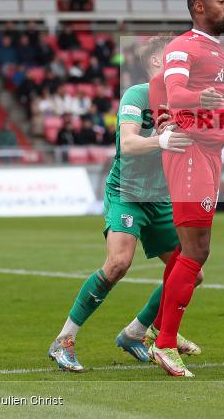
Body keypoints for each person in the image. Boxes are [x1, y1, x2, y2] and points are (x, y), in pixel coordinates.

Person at [47, 35, 199, 372]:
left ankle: (136, 332)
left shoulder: (182, 102)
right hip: (127, 192)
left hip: (159, 199)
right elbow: (129, 143)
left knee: (191, 273)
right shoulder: (136, 95)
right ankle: (64, 340)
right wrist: (163, 140)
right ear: (159, 63)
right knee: (118, 264)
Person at [146, 0, 224, 377]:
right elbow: (172, 91)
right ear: (199, 7)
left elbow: (159, 90)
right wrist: (192, 104)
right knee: (197, 252)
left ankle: (157, 333)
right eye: (221, 0)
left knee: (189, 251)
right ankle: (165, 343)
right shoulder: (184, 46)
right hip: (192, 152)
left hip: (209, 153)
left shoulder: (215, 49)